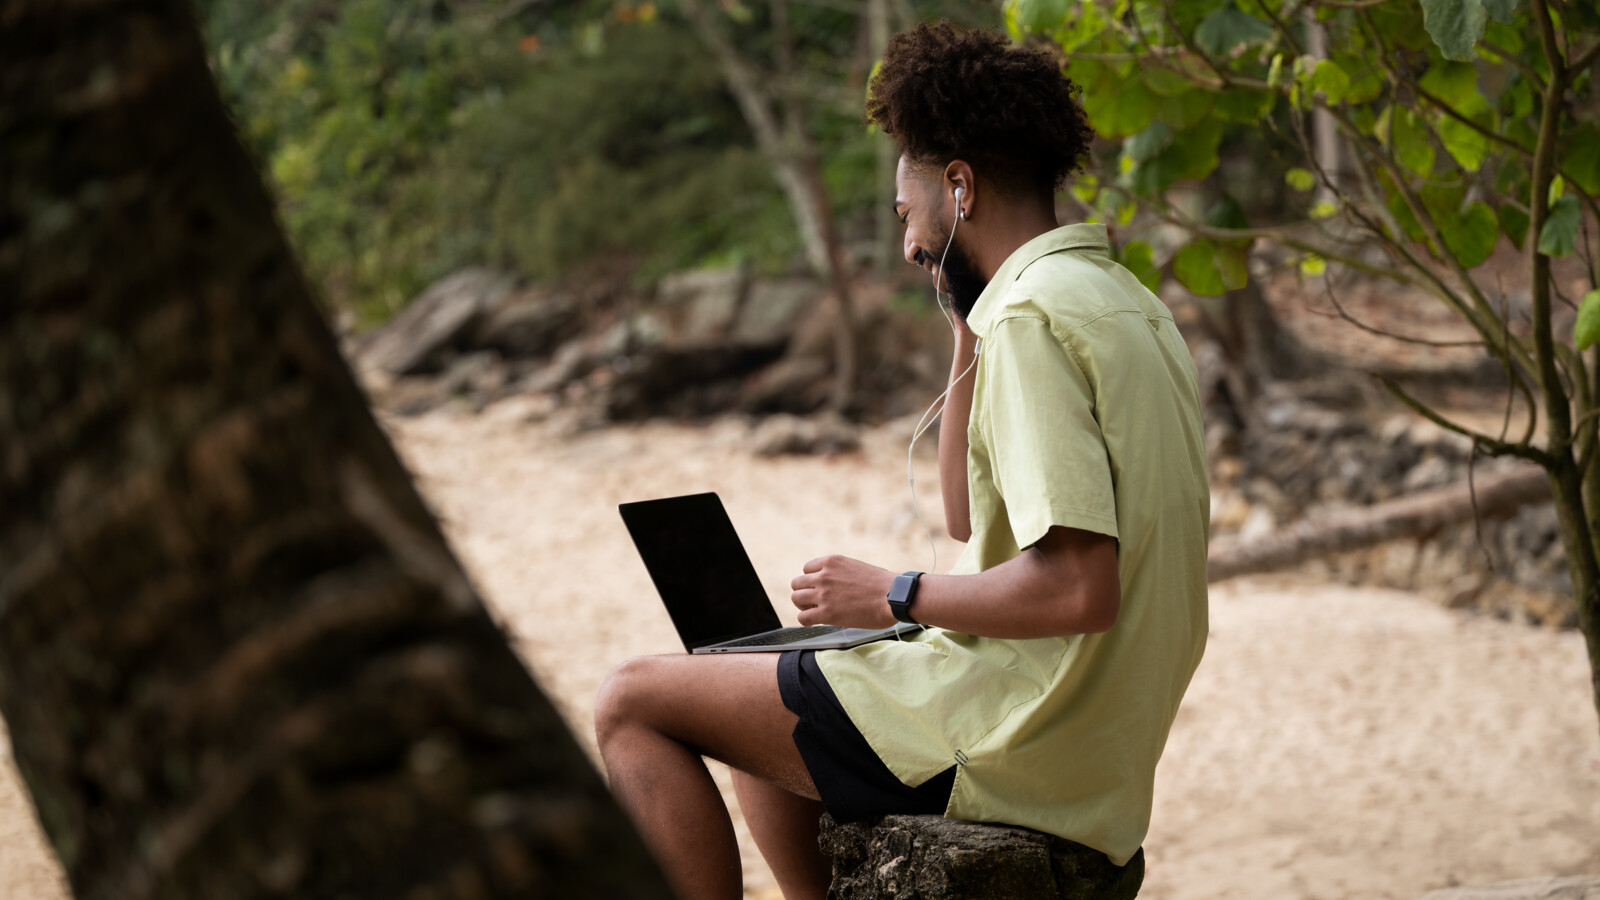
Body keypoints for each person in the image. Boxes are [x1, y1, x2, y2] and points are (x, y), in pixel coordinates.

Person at [594, 21, 1209, 900]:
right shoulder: (1119, 302)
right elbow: (967, 516)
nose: (910, 243)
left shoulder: (1034, 319)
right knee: (751, 690)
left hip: (1014, 733)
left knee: (630, 700)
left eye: (906, 212)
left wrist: (893, 594)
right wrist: (967, 331)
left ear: (959, 187)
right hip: (1095, 747)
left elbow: (1081, 588)